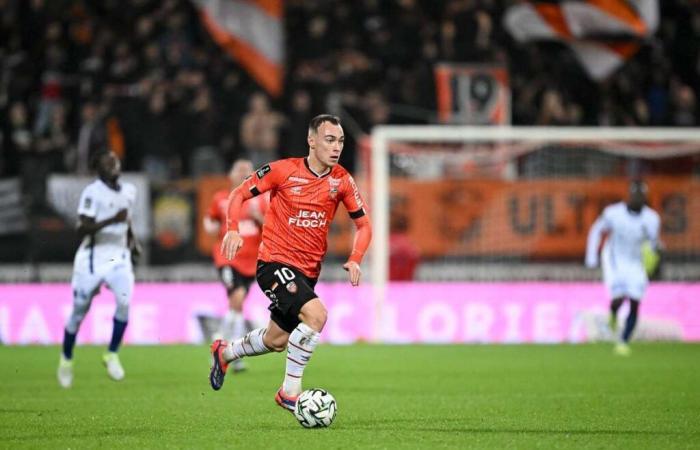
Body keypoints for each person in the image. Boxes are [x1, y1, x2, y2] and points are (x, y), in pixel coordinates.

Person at [209, 114, 372, 412]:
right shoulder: (283, 171)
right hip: (273, 263)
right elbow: (238, 194)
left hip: (307, 273)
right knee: (317, 315)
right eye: (329, 139)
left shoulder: (342, 181)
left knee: (276, 340)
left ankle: (225, 352)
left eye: (340, 141)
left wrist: (355, 258)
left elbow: (364, 226)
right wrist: (232, 228)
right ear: (312, 140)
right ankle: (289, 392)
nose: (336, 147)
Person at [57, 151, 141, 388]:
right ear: (99, 169)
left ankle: (112, 353)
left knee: (125, 302)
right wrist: (111, 220)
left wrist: (134, 242)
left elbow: (128, 220)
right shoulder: (92, 193)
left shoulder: (129, 191)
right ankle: (66, 359)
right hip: (93, 258)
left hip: (120, 256)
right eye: (107, 162)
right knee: (78, 312)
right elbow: (81, 228)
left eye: (115, 160)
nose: (113, 164)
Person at [203, 159, 267, 372]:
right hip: (228, 258)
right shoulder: (222, 199)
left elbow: (271, 228)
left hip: (252, 261)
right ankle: (222, 342)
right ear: (230, 175)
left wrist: (259, 217)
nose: (243, 174)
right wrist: (214, 224)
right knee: (237, 297)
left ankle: (227, 347)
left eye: (247, 171)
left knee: (238, 307)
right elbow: (210, 223)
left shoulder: (260, 201)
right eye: (239, 170)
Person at [585, 180, 661, 356]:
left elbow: (652, 244)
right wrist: (591, 257)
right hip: (614, 260)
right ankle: (612, 314)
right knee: (619, 298)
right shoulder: (613, 213)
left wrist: (654, 263)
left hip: (635, 263)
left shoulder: (652, 219)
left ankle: (623, 341)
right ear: (629, 195)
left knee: (635, 302)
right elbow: (596, 230)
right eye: (635, 195)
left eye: (641, 195)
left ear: (645, 197)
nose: (637, 198)